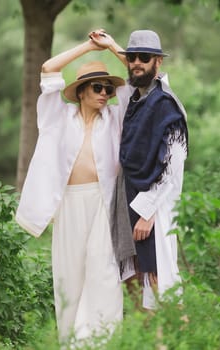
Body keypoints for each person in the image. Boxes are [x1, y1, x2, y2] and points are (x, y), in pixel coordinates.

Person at [15, 37, 129, 347]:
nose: (105, 93)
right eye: (98, 88)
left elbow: (136, 79)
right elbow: (49, 68)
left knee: (103, 273)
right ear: (81, 91)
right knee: (69, 275)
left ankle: (102, 340)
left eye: (109, 88)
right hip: (67, 204)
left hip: (105, 204)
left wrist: (113, 46)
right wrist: (89, 48)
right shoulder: (58, 116)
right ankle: (70, 342)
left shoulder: (117, 118)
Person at [90, 29, 188, 310]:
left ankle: (181, 335)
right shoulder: (136, 98)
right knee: (136, 276)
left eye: (144, 57)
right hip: (128, 196)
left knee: (159, 278)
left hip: (152, 205)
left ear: (158, 62)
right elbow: (136, 74)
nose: (136, 62)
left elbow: (173, 166)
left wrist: (148, 213)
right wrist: (111, 46)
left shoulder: (166, 105)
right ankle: (154, 340)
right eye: (131, 57)